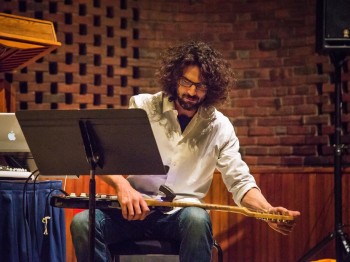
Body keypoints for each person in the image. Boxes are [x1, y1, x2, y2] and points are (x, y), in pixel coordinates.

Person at [70, 41, 301, 262]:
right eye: (186, 82)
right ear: (174, 78)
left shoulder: (220, 127)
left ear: (211, 89)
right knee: (83, 223)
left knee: (197, 218)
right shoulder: (143, 107)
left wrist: (267, 211)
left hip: (181, 217)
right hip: (134, 210)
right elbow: (101, 157)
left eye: (200, 86)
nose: (192, 91)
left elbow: (240, 182)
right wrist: (124, 187)